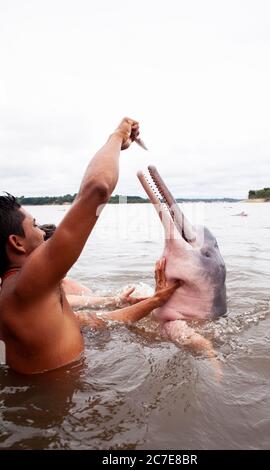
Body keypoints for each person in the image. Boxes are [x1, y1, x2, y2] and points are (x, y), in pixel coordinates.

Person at [0, 118, 180, 374]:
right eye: (35, 225)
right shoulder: (29, 285)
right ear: (16, 243)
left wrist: (156, 300)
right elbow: (97, 188)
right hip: (65, 409)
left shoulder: (17, 292)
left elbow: (93, 321)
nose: (43, 232)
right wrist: (118, 136)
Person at [40, 223, 145, 308]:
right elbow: (60, 300)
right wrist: (115, 300)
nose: (70, 258)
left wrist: (119, 299)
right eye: (62, 252)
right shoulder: (38, 291)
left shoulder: (71, 286)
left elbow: (93, 299)